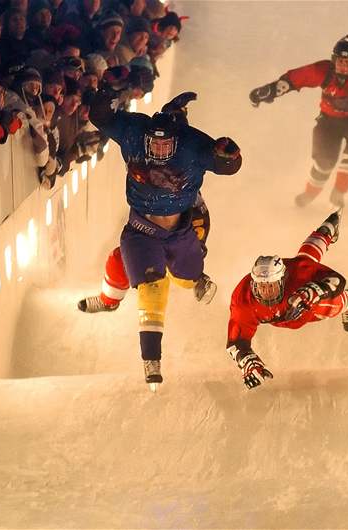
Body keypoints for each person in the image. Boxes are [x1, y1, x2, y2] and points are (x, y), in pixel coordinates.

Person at [89, 70, 241, 387]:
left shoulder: (191, 145)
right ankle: (151, 361)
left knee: (185, 278)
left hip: (181, 225)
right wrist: (107, 88)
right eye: (153, 146)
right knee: (151, 289)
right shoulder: (134, 131)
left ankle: (193, 279)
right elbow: (100, 117)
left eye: (166, 145)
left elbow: (229, 165)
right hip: (142, 227)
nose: (159, 152)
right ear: (146, 136)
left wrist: (229, 154)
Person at [78, 92, 214, 314]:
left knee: (172, 269)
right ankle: (109, 300)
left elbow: (195, 241)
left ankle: (193, 283)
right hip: (150, 233)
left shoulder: (192, 204)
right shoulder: (161, 155)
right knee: (119, 258)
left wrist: (195, 271)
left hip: (173, 244)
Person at [249, 35, 348, 208]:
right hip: (329, 121)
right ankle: (310, 193)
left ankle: (339, 192)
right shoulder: (323, 71)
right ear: (333, 61)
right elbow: (295, 79)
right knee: (324, 161)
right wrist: (271, 90)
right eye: (340, 61)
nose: (344, 66)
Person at [225, 211, 348, 390]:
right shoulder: (243, 300)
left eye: (271, 286)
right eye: (262, 287)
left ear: (282, 280)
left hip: (304, 308)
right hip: (288, 311)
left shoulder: (297, 276)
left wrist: (315, 291)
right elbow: (236, 342)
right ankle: (326, 231)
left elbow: (337, 280)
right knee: (305, 260)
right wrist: (248, 362)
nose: (267, 293)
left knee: (329, 306)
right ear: (253, 283)